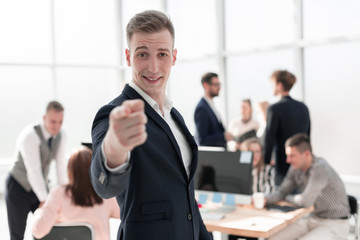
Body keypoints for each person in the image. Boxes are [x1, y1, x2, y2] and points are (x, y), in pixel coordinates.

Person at [89, 10, 212, 240]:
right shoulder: (113, 114)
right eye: (143, 54)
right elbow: (104, 185)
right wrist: (114, 148)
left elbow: (187, 200)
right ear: (128, 57)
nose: (153, 67)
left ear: (174, 57)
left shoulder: (175, 117)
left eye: (162, 54)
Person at [266, 133, 350, 240]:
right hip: (313, 218)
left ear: (306, 154)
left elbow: (305, 201)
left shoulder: (320, 168)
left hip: (334, 223)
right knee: (272, 238)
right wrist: (266, 199)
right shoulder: (295, 168)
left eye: (292, 156)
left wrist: (285, 197)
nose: (288, 160)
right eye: (287, 156)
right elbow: (282, 191)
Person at [5, 100, 67, 240]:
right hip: (18, 186)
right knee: (17, 234)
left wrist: (63, 197)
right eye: (53, 121)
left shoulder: (61, 136)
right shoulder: (30, 136)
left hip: (39, 185)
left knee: (45, 230)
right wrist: (45, 200)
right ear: (44, 118)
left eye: (60, 122)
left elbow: (60, 167)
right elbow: (34, 170)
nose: (57, 126)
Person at [32, 146, 120, 240]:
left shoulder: (58, 194)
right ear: (94, 169)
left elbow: (38, 231)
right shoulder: (104, 194)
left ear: (70, 170)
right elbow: (125, 213)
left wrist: (41, 211)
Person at [264, 70, 311, 186]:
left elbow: (269, 138)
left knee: (281, 200)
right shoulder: (303, 107)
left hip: (283, 166)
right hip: (302, 165)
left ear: (279, 85)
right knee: (300, 201)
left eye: (272, 85)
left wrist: (266, 161)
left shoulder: (274, 109)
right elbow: (307, 137)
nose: (271, 88)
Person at [194, 72, 233, 148]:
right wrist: (223, 137)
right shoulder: (201, 108)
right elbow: (202, 139)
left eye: (219, 84)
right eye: (216, 85)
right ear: (205, 85)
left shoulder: (211, 105)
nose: (219, 87)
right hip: (211, 156)